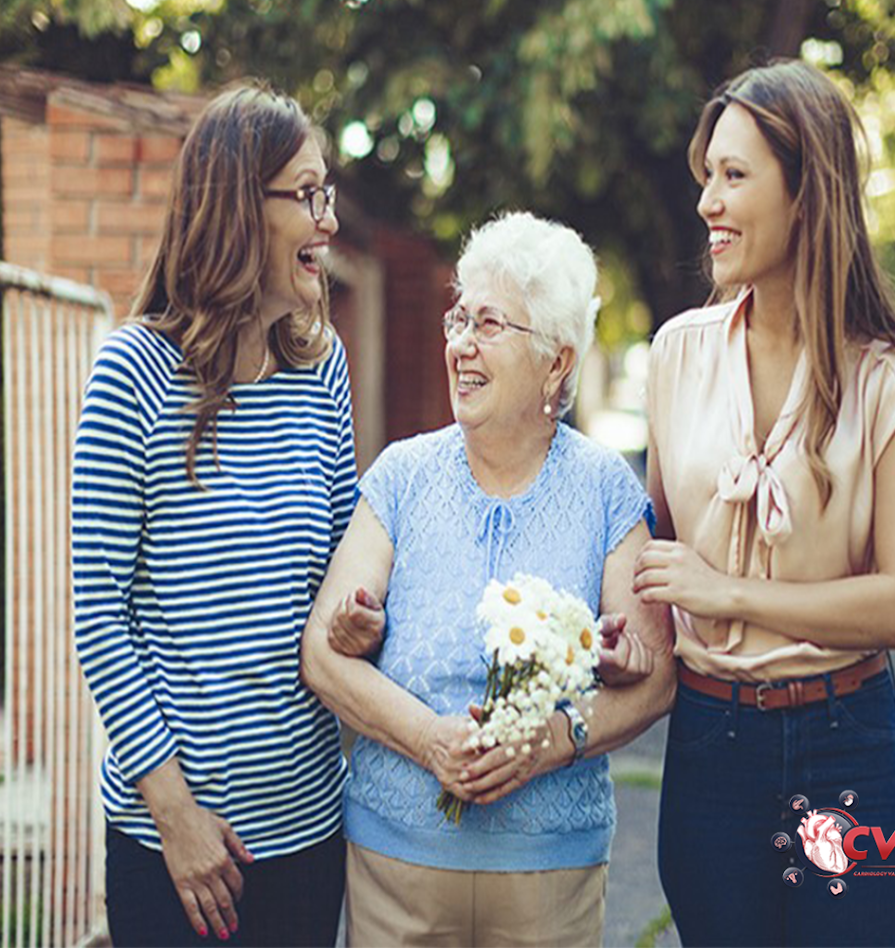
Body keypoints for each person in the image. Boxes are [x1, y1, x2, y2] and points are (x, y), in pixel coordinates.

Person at [637, 59, 895, 947]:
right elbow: (654, 551)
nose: (707, 200)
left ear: (808, 195)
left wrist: (732, 593)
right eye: (708, 174)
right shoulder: (676, 354)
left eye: (735, 175)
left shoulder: (889, 383)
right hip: (711, 747)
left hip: (849, 743)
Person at [301, 211, 676, 948]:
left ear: (557, 363)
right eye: (459, 318)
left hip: (550, 874)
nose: (461, 345)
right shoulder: (402, 477)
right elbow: (322, 652)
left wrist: (556, 738)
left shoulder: (605, 489)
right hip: (395, 866)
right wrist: (430, 740)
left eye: (490, 324)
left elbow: (657, 676)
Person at [72, 84, 355, 947]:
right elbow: (99, 616)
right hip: (178, 849)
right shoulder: (134, 375)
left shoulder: (323, 371)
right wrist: (175, 816)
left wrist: (363, 615)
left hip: (310, 834)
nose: (329, 220)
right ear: (238, 207)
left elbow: (342, 579)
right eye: (307, 195)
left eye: (328, 193)